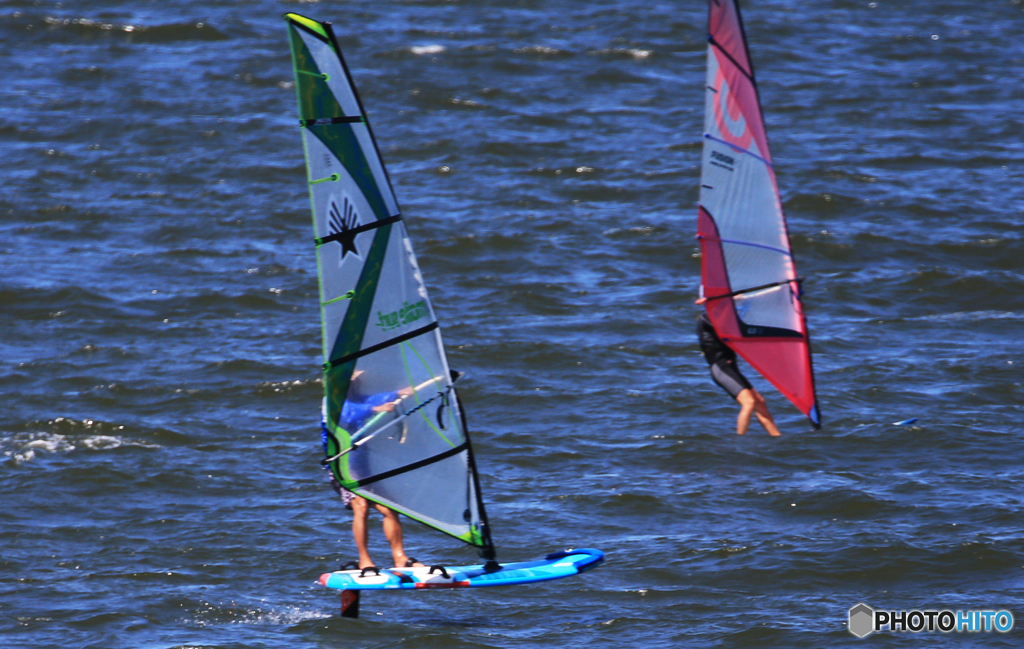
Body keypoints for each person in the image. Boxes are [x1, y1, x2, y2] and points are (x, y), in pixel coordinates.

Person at [322, 370, 425, 571]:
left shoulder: (357, 398)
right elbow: (348, 415)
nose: (357, 383)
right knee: (360, 506)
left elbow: (371, 399)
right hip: (341, 466)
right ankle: (364, 560)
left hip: (362, 465)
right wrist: (375, 409)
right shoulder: (332, 402)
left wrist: (398, 393)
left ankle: (400, 558)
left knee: (389, 508)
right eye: (353, 380)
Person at [695, 309, 782, 437]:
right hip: (720, 368)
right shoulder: (705, 319)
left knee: (760, 403)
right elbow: (731, 328)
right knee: (749, 402)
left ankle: (776, 437)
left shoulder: (721, 320)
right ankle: (740, 440)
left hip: (730, 368)